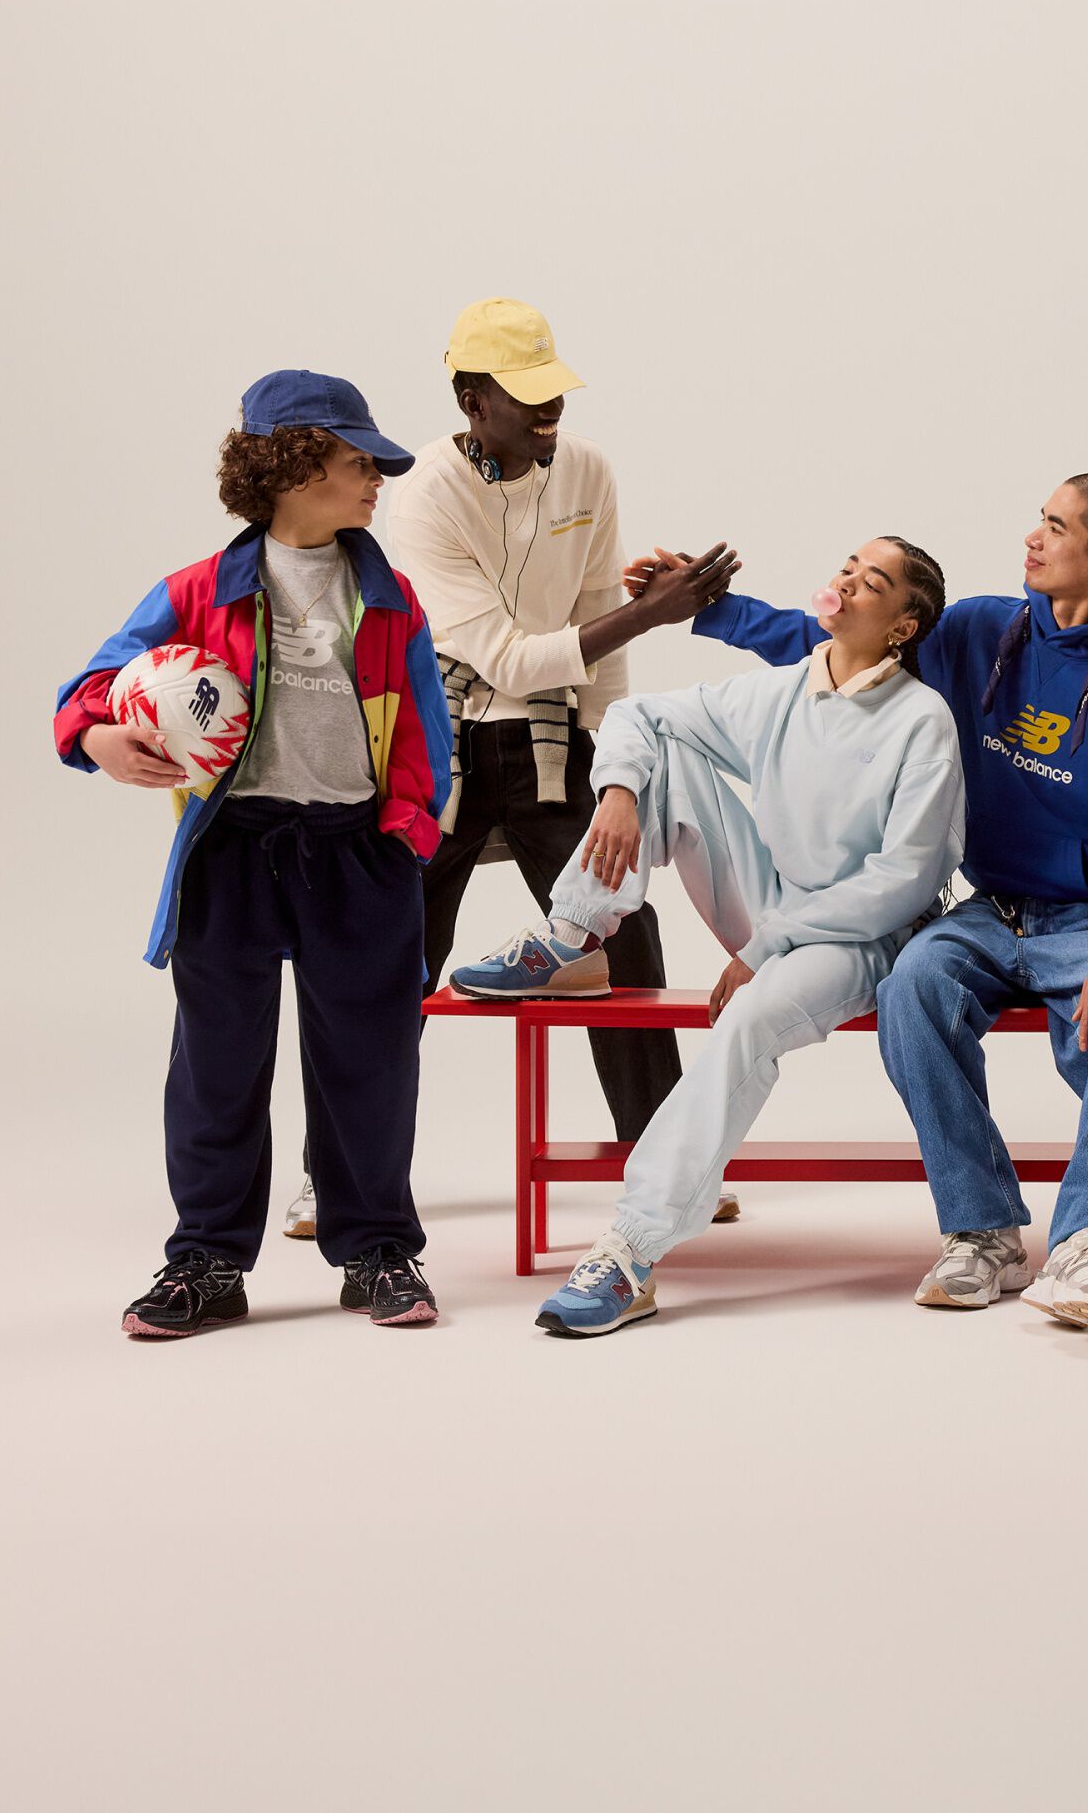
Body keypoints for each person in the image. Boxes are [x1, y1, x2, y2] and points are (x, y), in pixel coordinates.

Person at [643, 475, 1088, 1341]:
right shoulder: (980, 630)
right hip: (992, 909)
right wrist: (711, 610)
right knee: (912, 986)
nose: (1034, 536)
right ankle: (983, 1230)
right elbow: (841, 644)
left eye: (1056, 526)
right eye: (1040, 519)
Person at [279, 297, 741, 1240]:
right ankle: (336, 1172)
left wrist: (618, 771)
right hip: (439, 737)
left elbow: (595, 652)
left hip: (548, 740)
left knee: (623, 929)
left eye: (553, 393)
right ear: (469, 398)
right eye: (524, 397)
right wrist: (654, 613)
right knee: (395, 951)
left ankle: (660, 1164)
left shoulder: (588, 469)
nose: (548, 413)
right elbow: (505, 657)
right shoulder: (426, 495)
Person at [452, 539, 963, 1338]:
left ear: (903, 627)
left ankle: (631, 1251)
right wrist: (620, 792)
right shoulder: (784, 692)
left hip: (860, 940)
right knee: (662, 749)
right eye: (849, 568)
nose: (848, 582)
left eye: (875, 582)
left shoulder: (921, 721)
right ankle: (570, 933)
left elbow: (903, 880)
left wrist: (767, 948)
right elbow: (635, 714)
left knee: (747, 1021)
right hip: (775, 911)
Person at [53, 371, 453, 1336]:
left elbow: (430, 741)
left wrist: (407, 834)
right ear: (292, 466)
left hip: (358, 855)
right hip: (234, 849)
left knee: (370, 1061)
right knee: (217, 1061)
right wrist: (98, 737)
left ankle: (378, 1250)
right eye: (358, 463)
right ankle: (205, 1261)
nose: (375, 483)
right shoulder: (196, 590)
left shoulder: (388, 594)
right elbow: (94, 684)